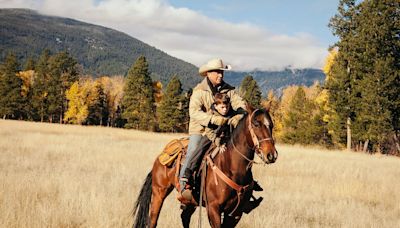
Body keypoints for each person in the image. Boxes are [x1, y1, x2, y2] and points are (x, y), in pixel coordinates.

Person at [178, 58, 247, 203]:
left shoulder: (228, 90)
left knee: (240, 150)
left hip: (225, 129)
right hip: (202, 130)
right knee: (194, 149)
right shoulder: (199, 91)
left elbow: (240, 104)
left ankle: (246, 183)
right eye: (217, 72)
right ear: (208, 73)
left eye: (221, 72)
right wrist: (213, 120)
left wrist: (238, 116)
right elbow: (194, 113)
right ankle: (184, 183)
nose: (220, 75)